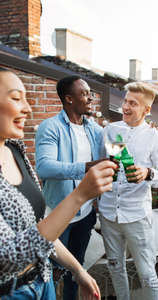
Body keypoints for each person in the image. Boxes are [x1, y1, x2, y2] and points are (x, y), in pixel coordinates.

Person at [0, 59, 117, 300]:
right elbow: (8, 256)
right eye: (15, 98)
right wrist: (80, 195)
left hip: (42, 283)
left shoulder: (16, 152)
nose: (27, 108)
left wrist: (77, 269)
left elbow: (37, 226)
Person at [99, 82, 158, 300]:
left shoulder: (155, 136)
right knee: (115, 266)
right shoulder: (112, 131)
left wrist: (148, 173)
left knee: (147, 273)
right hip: (108, 213)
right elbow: (112, 165)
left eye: (133, 103)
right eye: (125, 101)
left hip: (137, 217)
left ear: (146, 110)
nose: (126, 107)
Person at [35, 75, 107, 300]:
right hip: (58, 215)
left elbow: (117, 147)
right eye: (84, 93)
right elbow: (45, 167)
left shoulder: (94, 129)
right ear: (68, 99)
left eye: (90, 93)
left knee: (77, 268)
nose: (90, 98)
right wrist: (86, 167)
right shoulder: (51, 127)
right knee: (53, 271)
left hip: (86, 215)